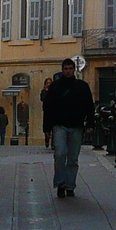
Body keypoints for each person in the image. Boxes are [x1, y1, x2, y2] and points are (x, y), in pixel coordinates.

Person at [45, 59, 94, 198]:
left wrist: (90, 123)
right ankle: (60, 183)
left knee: (73, 158)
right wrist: (47, 128)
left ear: (74, 70)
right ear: (62, 70)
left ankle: (70, 185)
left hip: (77, 126)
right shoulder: (55, 87)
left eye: (70, 68)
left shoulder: (82, 86)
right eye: (65, 68)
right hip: (59, 125)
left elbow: (89, 105)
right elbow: (48, 107)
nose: (68, 71)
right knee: (60, 154)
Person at [39, 77, 54, 148]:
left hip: (54, 111)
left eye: (50, 83)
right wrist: (46, 92)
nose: (48, 84)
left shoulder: (55, 91)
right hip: (46, 111)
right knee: (46, 128)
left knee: (54, 127)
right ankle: (47, 139)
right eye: (47, 83)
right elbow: (42, 99)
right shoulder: (43, 92)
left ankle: (53, 143)